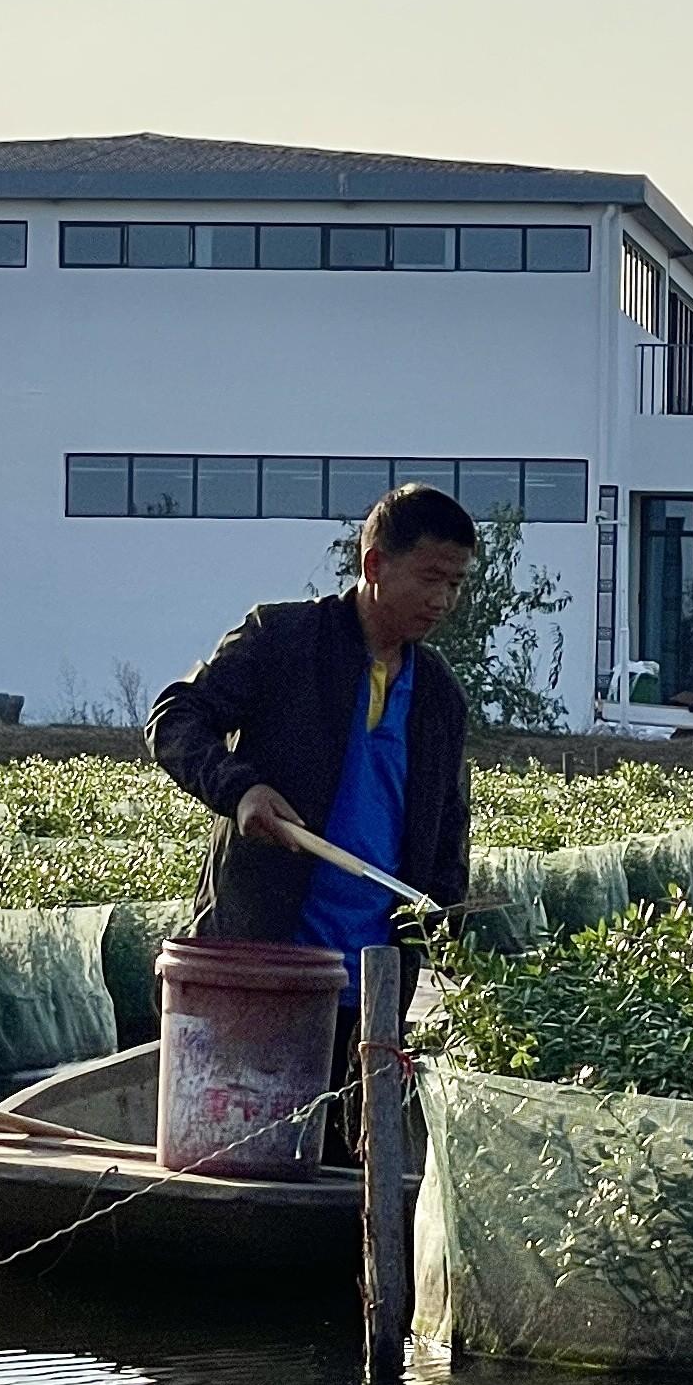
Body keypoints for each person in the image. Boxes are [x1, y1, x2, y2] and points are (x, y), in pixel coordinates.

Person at [147, 483, 475, 1152]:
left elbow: (447, 834)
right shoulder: (284, 639)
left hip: (371, 983)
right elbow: (176, 718)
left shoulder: (439, 695)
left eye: (457, 583)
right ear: (376, 565)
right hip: (262, 966)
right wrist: (240, 790)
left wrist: (444, 913)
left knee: (342, 1161)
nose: (444, 599)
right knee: (241, 1150)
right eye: (431, 578)